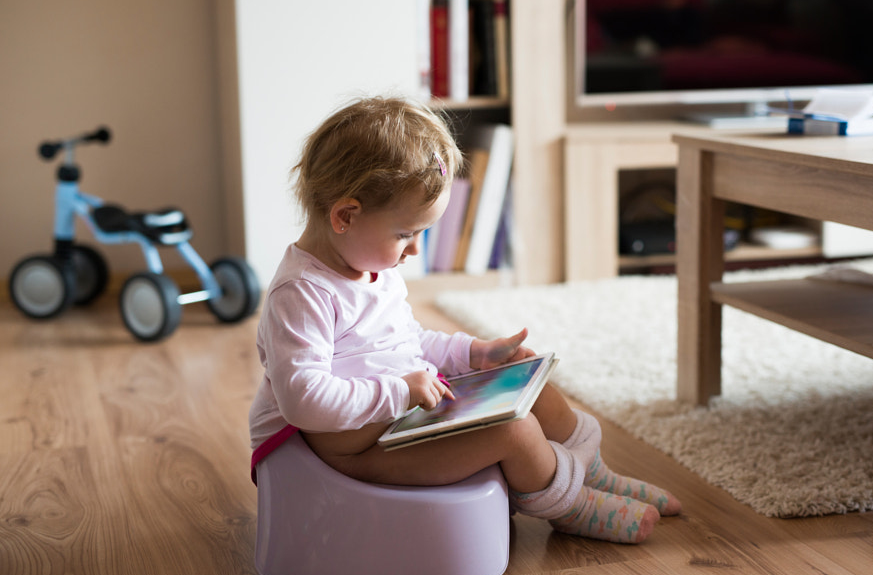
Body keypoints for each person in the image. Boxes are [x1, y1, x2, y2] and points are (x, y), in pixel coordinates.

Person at [248, 96, 680, 544]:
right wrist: (400, 392)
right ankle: (570, 506)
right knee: (514, 433)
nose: (414, 250)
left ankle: (594, 474)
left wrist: (473, 354)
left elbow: (406, 342)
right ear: (345, 216)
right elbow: (303, 400)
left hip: (404, 416)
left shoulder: (371, 269)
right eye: (405, 234)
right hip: (358, 451)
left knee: (531, 387)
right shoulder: (301, 293)